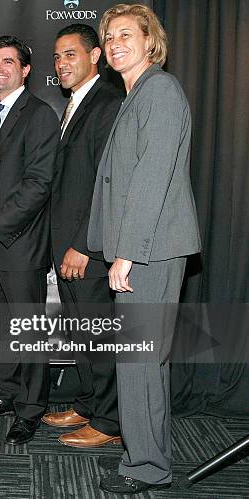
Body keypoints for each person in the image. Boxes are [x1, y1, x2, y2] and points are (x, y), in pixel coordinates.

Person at [87, 4, 201, 493]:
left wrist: (126, 252)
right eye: (109, 36)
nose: (115, 43)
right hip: (142, 247)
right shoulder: (137, 94)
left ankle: (149, 467)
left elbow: (152, 180)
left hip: (149, 251)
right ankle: (145, 458)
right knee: (140, 361)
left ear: (150, 40)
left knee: (140, 360)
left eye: (126, 34)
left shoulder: (160, 90)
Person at [0, 36, 59, 445]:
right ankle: (8, 394)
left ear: (25, 70)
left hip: (19, 244)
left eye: (9, 62)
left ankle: (31, 410)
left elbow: (38, 185)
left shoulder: (39, 115)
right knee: (1, 329)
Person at [42, 24, 123, 448]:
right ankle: (91, 403)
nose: (61, 64)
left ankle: (110, 422)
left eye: (71, 54)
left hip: (86, 246)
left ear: (95, 57)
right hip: (67, 242)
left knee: (99, 333)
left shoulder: (107, 103)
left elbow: (106, 183)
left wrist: (84, 245)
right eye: (57, 57)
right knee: (81, 331)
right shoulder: (77, 103)